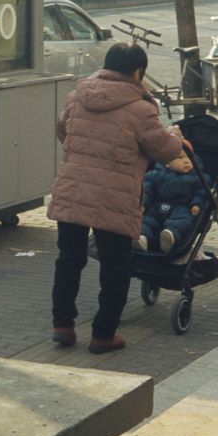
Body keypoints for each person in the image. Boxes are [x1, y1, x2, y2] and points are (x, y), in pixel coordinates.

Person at [49, 42, 191, 354]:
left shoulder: (77, 97)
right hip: (114, 196)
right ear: (137, 72)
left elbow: (63, 132)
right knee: (115, 266)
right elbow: (164, 150)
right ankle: (103, 334)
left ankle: (63, 325)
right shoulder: (140, 109)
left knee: (69, 259)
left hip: (73, 189)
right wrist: (176, 138)